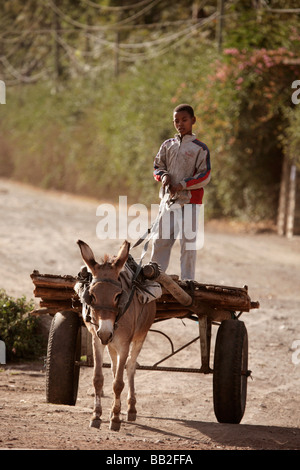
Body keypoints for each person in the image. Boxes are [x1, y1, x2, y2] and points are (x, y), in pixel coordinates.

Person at [150, 103, 211, 280]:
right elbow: (157, 166)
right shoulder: (167, 145)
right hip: (169, 202)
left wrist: (183, 185)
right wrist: (163, 176)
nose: (180, 124)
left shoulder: (200, 148)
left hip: (191, 204)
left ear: (193, 120)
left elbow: (204, 175)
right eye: (176, 121)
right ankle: (155, 279)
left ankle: (188, 282)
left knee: (188, 245)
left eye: (184, 120)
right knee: (160, 241)